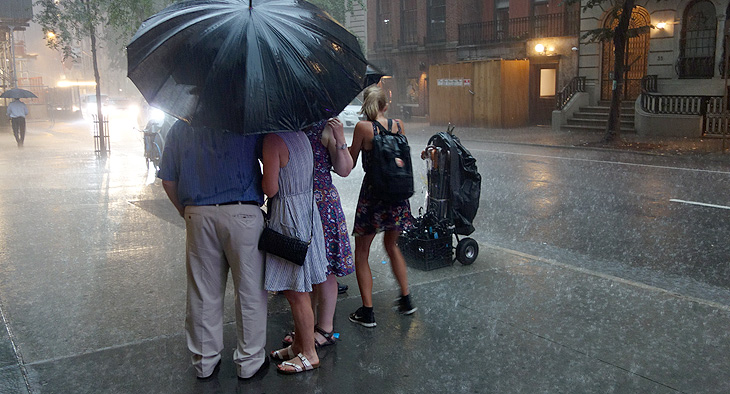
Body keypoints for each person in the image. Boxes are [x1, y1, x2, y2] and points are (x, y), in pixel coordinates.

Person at [158, 120, 269, 380]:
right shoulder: (248, 122)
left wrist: (185, 211)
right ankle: (250, 362)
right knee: (250, 290)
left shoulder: (179, 127)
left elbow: (168, 180)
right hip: (244, 212)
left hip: (198, 212)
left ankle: (204, 362)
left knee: (203, 292)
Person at [280, 118, 354, 348]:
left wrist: (340, 137)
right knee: (304, 270)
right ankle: (306, 328)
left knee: (326, 269)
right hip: (296, 204)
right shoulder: (285, 125)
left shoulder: (324, 126)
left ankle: (325, 328)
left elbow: (344, 170)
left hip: (322, 204)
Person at [348, 85, 417, 328]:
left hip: (374, 196)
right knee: (392, 244)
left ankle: (367, 312)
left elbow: (350, 160)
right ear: (385, 106)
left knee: (362, 252)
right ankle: (406, 299)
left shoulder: (363, 128)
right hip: (397, 196)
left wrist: (337, 146)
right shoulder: (398, 125)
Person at [262, 130, 328, 374]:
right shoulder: (301, 135)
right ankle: (300, 345)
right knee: (298, 287)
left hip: (288, 216)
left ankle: (309, 354)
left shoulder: (272, 140)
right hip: (306, 212)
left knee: (296, 290)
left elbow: (270, 189)